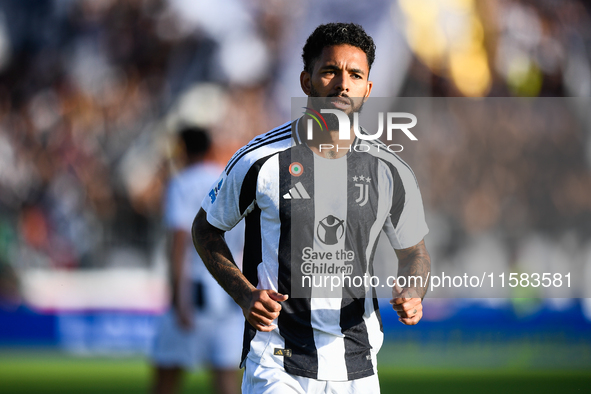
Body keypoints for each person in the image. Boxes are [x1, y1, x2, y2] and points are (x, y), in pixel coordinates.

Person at [192, 23, 431, 393]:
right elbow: (206, 228)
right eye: (330, 71)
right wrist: (244, 294)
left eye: (355, 75)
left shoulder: (389, 169)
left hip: (357, 363)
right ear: (306, 81)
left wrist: (413, 288)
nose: (342, 84)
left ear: (367, 91)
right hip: (275, 359)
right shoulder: (261, 160)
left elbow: (414, 250)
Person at [150, 127, 243, 394]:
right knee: (226, 381)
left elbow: (180, 243)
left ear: (182, 150)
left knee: (166, 378)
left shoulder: (181, 183)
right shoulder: (228, 181)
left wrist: (178, 299)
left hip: (192, 293)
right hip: (228, 294)